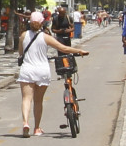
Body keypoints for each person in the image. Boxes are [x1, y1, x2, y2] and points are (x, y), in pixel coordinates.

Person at [14, 10, 88, 138]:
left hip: (27, 70)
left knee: (26, 99)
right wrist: (79, 51)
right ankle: (37, 128)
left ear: (30, 22)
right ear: (43, 22)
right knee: (38, 101)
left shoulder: (23, 36)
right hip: (42, 70)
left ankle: (25, 123)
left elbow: (21, 53)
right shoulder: (45, 37)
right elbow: (63, 48)